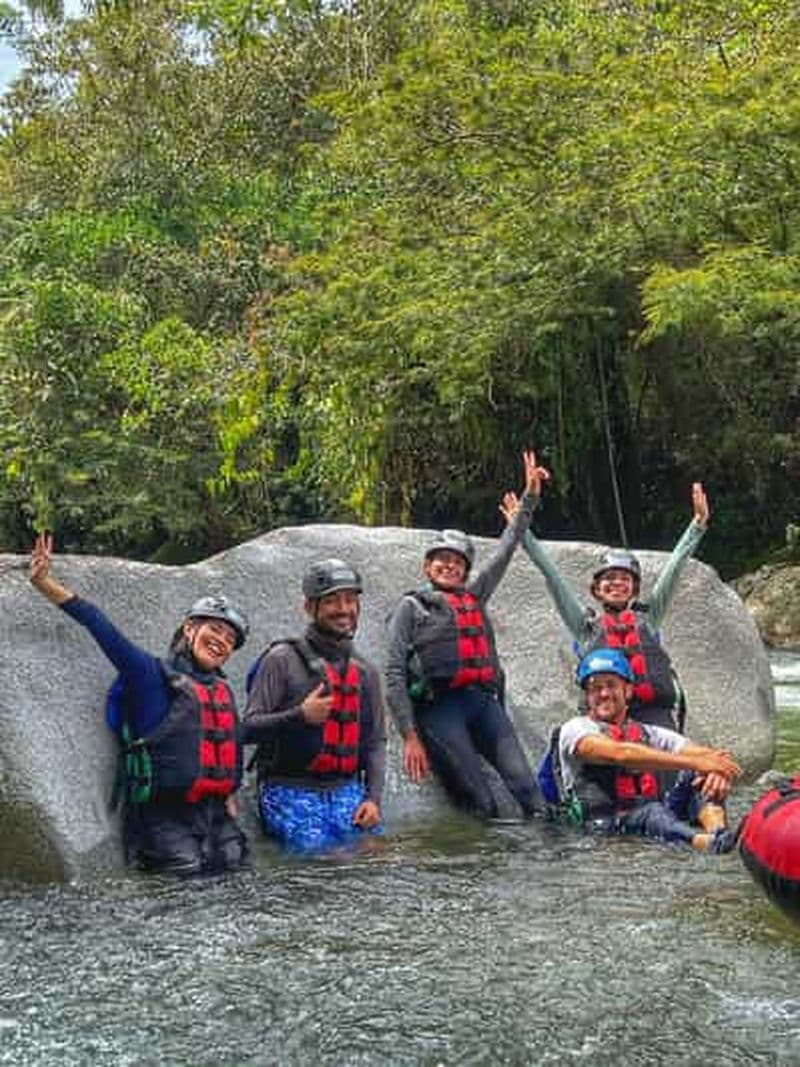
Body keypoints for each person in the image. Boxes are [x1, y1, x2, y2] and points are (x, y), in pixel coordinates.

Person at [28, 532, 250, 878]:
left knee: (239, 870)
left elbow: (229, 741)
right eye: (215, 629)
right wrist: (45, 583)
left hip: (215, 814)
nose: (222, 641)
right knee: (186, 878)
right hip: (163, 819)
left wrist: (229, 791)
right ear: (189, 629)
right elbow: (99, 625)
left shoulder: (221, 689)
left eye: (230, 639)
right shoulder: (149, 674)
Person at [384, 452, 544, 820]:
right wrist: (409, 735)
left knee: (530, 794)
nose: (449, 565)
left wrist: (530, 498)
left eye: (457, 561)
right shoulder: (412, 607)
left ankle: (550, 867)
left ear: (466, 570)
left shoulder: (474, 595)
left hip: (483, 705)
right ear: (427, 565)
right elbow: (394, 672)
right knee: (482, 804)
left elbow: (506, 549)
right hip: (439, 710)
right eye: (441, 558)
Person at [506, 469, 710, 731]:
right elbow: (551, 574)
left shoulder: (648, 618)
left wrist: (697, 525)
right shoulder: (585, 626)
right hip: (605, 716)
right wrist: (522, 528)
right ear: (597, 590)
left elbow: (674, 569)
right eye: (609, 579)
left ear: (634, 589)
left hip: (652, 715)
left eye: (625, 579)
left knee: (663, 763)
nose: (617, 583)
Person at [243, 558, 387, 853]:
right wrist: (300, 716)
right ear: (310, 607)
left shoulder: (365, 672)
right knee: (330, 860)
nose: (344, 609)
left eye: (350, 600)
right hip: (288, 789)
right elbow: (247, 729)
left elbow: (375, 743)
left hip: (346, 789)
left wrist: (373, 799)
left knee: (375, 855)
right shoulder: (281, 659)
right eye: (333, 601)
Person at [544, 648, 741, 852]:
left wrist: (717, 769)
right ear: (587, 695)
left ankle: (718, 833)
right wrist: (697, 762)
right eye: (595, 688)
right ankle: (701, 842)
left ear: (627, 690)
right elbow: (620, 754)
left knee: (698, 774)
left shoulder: (648, 732)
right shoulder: (575, 730)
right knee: (654, 810)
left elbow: (709, 756)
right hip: (603, 825)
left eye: (611, 685)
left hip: (649, 818)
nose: (603, 694)